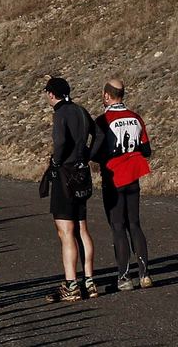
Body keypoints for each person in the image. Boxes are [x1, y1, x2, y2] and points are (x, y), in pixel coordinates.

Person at [92, 79, 154, 292]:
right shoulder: (135, 117)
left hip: (114, 178)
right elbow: (146, 149)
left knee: (118, 226)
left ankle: (124, 277)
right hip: (134, 176)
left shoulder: (103, 120)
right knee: (135, 224)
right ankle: (145, 275)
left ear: (106, 95)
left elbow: (96, 152)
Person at [41, 75, 98, 301]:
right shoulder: (80, 111)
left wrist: (56, 161)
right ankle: (90, 281)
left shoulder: (60, 114)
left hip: (65, 175)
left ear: (51, 94)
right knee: (82, 228)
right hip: (82, 173)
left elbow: (61, 141)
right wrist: (88, 154)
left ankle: (72, 284)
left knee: (65, 232)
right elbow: (100, 134)